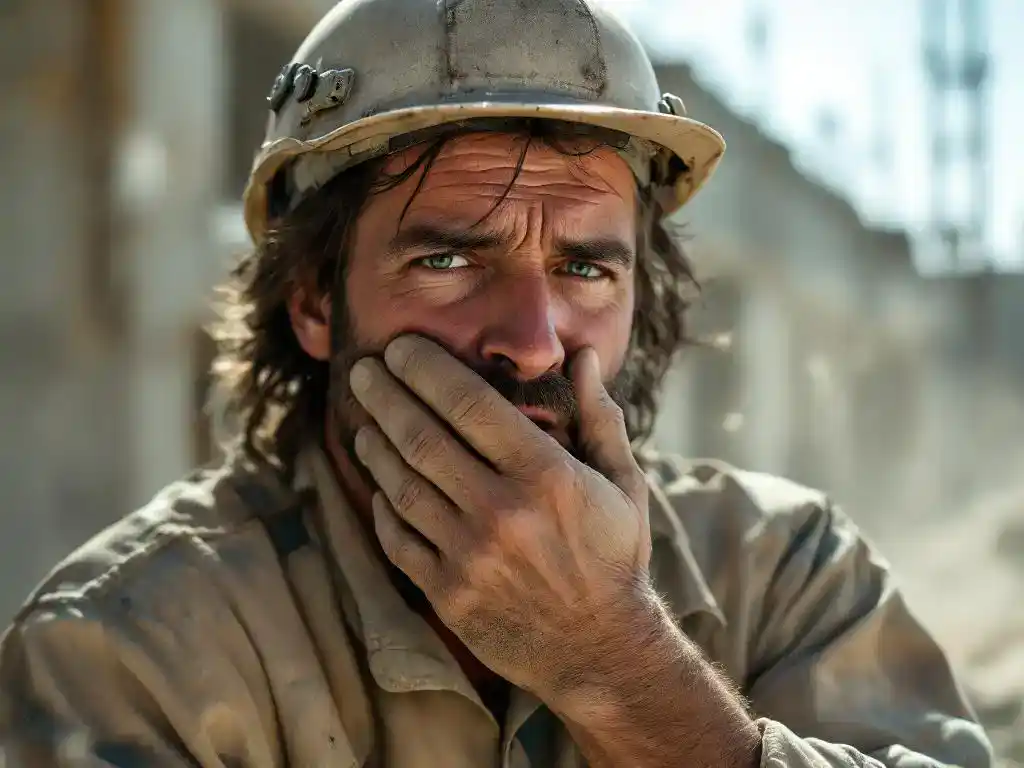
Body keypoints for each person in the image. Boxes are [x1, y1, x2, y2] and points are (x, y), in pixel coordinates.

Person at [0, 0, 993, 766]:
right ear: (312, 300)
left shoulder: (784, 575)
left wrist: (614, 661)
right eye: (448, 261)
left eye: (584, 269)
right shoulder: (131, 645)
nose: (533, 342)